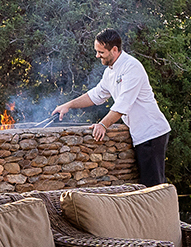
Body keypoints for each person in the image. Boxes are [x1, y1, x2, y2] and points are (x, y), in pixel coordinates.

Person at [52, 29, 172, 186]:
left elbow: (123, 104)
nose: (97, 56)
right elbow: (95, 95)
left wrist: (103, 125)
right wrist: (68, 105)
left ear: (114, 50)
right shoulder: (110, 72)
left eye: (101, 52)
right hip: (140, 135)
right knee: (145, 186)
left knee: (153, 188)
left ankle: (163, 211)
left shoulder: (132, 67)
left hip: (152, 134)